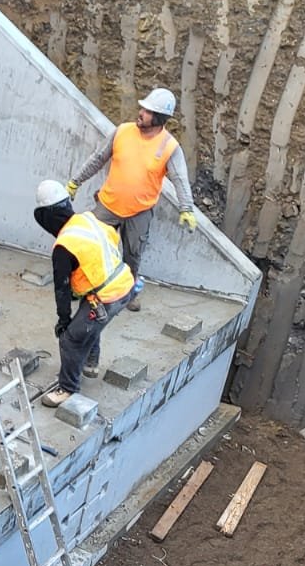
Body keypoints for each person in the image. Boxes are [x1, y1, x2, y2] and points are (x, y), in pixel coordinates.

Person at [66, 88, 198, 309]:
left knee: (133, 254)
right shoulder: (122, 131)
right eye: (142, 108)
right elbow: (98, 158)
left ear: (159, 118)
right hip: (108, 205)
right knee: (92, 246)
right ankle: (85, 286)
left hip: (139, 211)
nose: (141, 113)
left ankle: (127, 293)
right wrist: (75, 182)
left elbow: (180, 179)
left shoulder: (169, 147)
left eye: (147, 111)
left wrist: (186, 208)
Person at [33, 180, 136, 408]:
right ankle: (90, 363)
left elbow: (62, 289)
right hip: (125, 285)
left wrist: (63, 321)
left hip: (106, 297)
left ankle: (67, 388)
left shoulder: (64, 245)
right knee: (89, 321)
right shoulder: (88, 220)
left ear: (46, 217)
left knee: (71, 338)